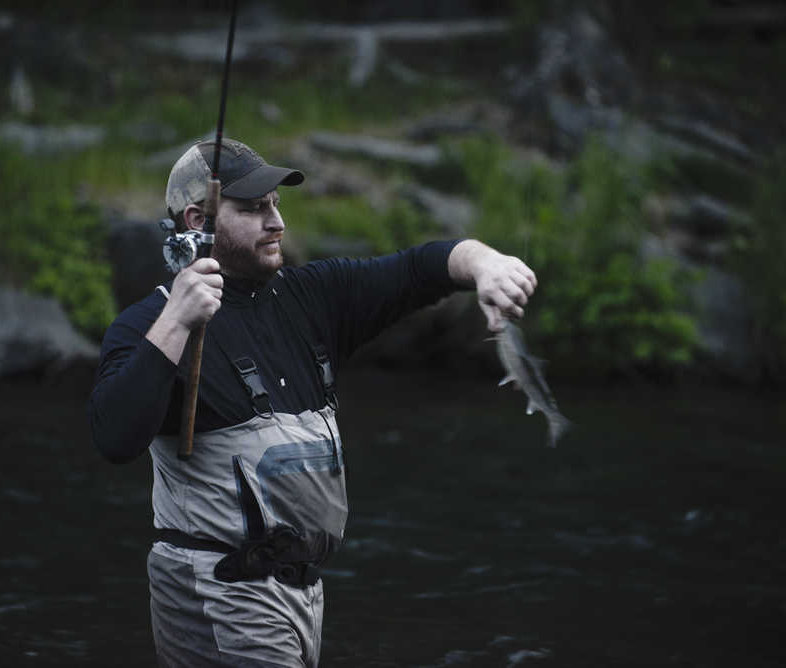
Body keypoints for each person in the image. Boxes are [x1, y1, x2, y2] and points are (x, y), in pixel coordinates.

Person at [88, 138, 536, 667]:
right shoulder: (150, 324)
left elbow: (421, 269)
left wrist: (486, 264)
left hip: (302, 597)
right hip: (218, 591)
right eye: (254, 209)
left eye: (275, 204)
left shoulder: (315, 298)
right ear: (197, 219)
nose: (275, 221)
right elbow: (114, 438)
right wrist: (177, 322)